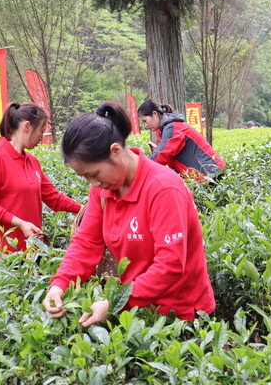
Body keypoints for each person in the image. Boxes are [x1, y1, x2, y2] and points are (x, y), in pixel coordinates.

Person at [42, 102, 216, 325]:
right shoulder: (102, 189)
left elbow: (170, 263)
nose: (93, 183)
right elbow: (86, 242)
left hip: (181, 316)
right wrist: (59, 285)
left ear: (115, 151)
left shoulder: (163, 189)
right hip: (138, 313)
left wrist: (115, 301)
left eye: (94, 174)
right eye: (85, 177)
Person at [0, 102, 82, 260]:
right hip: (3, 255)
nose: (42, 136)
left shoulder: (32, 161)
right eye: (41, 130)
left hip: (32, 250)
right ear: (27, 127)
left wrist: (84, 210)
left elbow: (53, 198)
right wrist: (20, 223)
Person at [137, 100, 226, 182]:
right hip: (204, 178)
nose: (146, 125)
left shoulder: (173, 128)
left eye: (145, 121)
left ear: (155, 114)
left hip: (211, 176)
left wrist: (138, 170)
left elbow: (161, 155)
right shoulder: (163, 130)